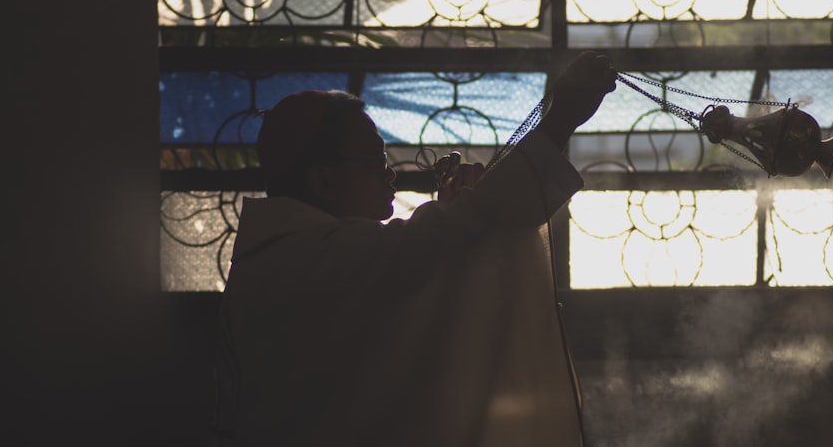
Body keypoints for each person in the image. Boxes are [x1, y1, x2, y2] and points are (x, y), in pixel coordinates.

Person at [215, 52, 618, 446]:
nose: (389, 172)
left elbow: (423, 269)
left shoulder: (287, 256)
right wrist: (562, 118)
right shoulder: (307, 261)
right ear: (323, 180)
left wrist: (453, 217)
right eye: (374, 160)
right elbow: (468, 229)